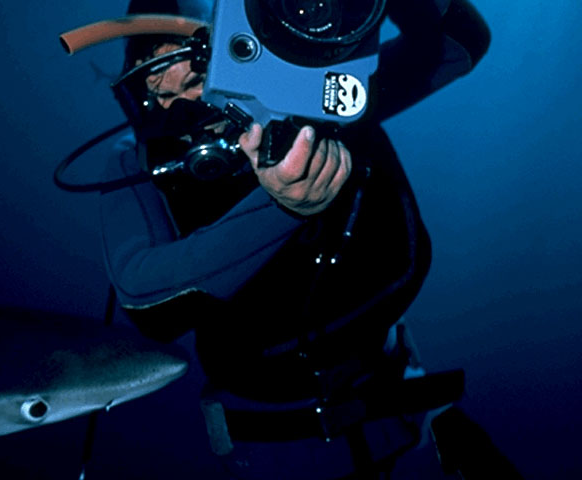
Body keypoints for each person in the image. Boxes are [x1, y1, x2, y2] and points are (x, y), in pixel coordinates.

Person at [99, 0, 491, 477]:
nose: (183, 115)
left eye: (198, 81)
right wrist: (282, 207)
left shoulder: (319, 97)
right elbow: (145, 300)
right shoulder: (136, 165)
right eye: (156, 95)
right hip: (276, 448)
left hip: (406, 404)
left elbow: (460, 43)